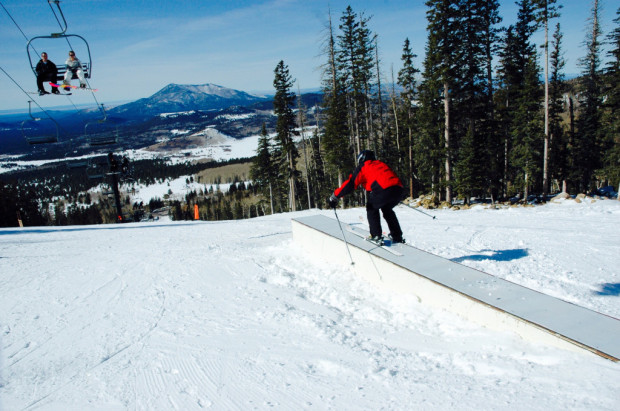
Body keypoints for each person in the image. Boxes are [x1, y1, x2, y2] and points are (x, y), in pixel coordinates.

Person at [328, 150, 405, 245]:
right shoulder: (380, 164)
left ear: (362, 158)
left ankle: (376, 235)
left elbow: (351, 183)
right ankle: (397, 235)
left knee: (371, 208)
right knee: (387, 209)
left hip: (383, 190)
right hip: (398, 189)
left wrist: (335, 196)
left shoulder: (364, 166)